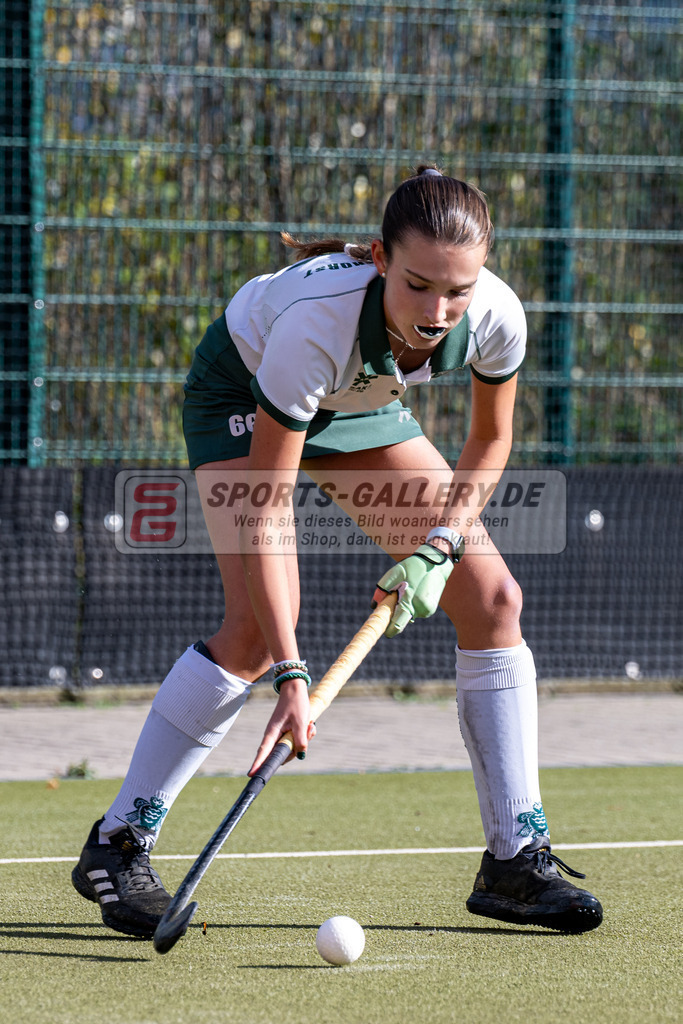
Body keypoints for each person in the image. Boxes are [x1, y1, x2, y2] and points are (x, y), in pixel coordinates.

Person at [72, 167, 603, 938]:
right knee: (254, 634)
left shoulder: (495, 315)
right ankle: (119, 844)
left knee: (493, 601)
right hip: (245, 392)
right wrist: (291, 674)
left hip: (360, 406)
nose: (437, 313)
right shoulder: (314, 325)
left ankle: (516, 860)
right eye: (418, 286)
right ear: (382, 260)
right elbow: (266, 508)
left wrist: (438, 546)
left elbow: (490, 438)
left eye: (457, 290)